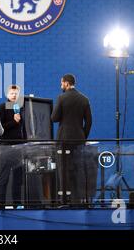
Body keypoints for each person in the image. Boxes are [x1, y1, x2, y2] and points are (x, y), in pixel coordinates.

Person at [51, 74, 96, 204]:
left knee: (63, 170)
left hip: (63, 141)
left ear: (66, 83)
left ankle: (64, 200)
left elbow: (54, 118)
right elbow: (89, 122)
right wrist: (83, 137)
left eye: (61, 83)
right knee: (78, 169)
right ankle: (78, 200)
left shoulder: (61, 98)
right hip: (79, 140)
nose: (61, 86)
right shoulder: (84, 99)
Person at [0, 85, 25, 205]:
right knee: (4, 177)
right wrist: (14, 122)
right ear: (7, 94)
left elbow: (24, 127)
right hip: (6, 146)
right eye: (12, 93)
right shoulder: (2, 107)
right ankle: (1, 205)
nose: (14, 95)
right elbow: (1, 128)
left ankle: (17, 203)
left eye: (16, 93)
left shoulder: (20, 107)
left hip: (19, 147)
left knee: (18, 177)